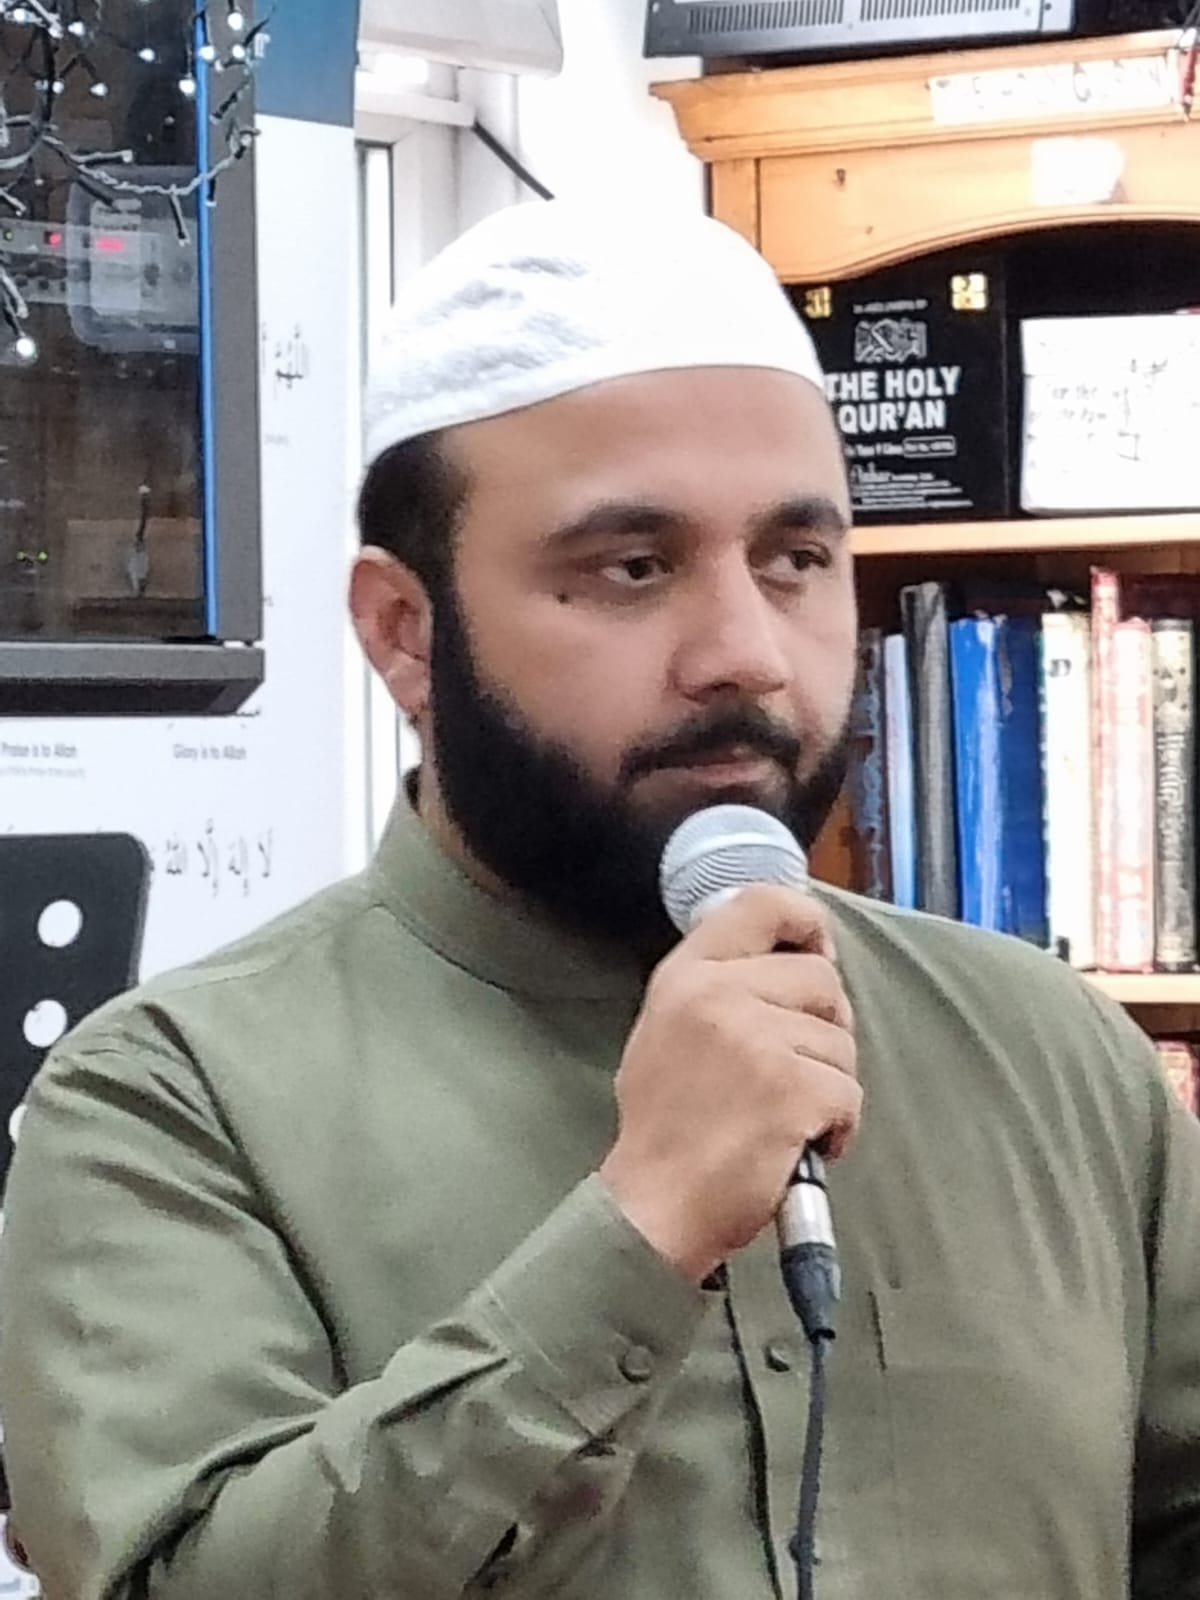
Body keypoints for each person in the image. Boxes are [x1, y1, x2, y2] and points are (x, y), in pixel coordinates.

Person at [0, 196, 1197, 1600]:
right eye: (632, 570)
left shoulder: (1052, 1056)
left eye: (797, 561)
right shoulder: (170, 1105)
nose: (745, 653)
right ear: (404, 631)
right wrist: (642, 1227)